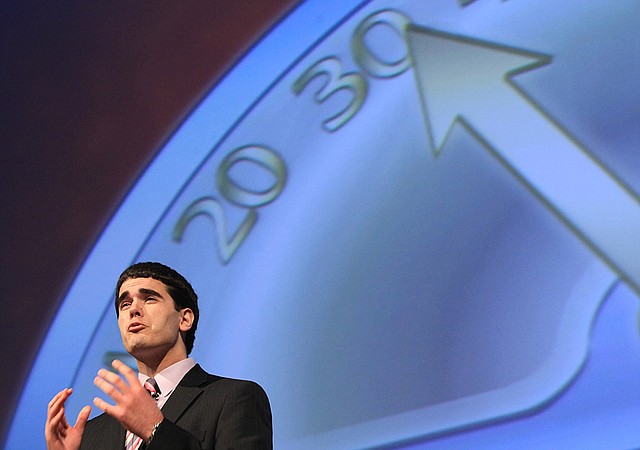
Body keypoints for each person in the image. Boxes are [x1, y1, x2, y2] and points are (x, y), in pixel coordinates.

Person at [45, 261, 273, 449]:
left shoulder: (235, 398)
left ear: (184, 319)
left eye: (149, 299)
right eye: (125, 304)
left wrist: (155, 429)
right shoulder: (92, 433)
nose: (133, 309)